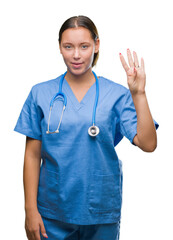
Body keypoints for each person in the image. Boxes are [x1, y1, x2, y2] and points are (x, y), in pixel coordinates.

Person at [14, 15, 159, 240]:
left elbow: (149, 144)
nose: (76, 55)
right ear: (60, 48)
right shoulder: (40, 93)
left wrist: (138, 93)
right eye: (68, 47)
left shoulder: (117, 95)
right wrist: (30, 210)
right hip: (52, 212)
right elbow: (32, 156)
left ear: (96, 45)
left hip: (100, 211)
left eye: (84, 46)